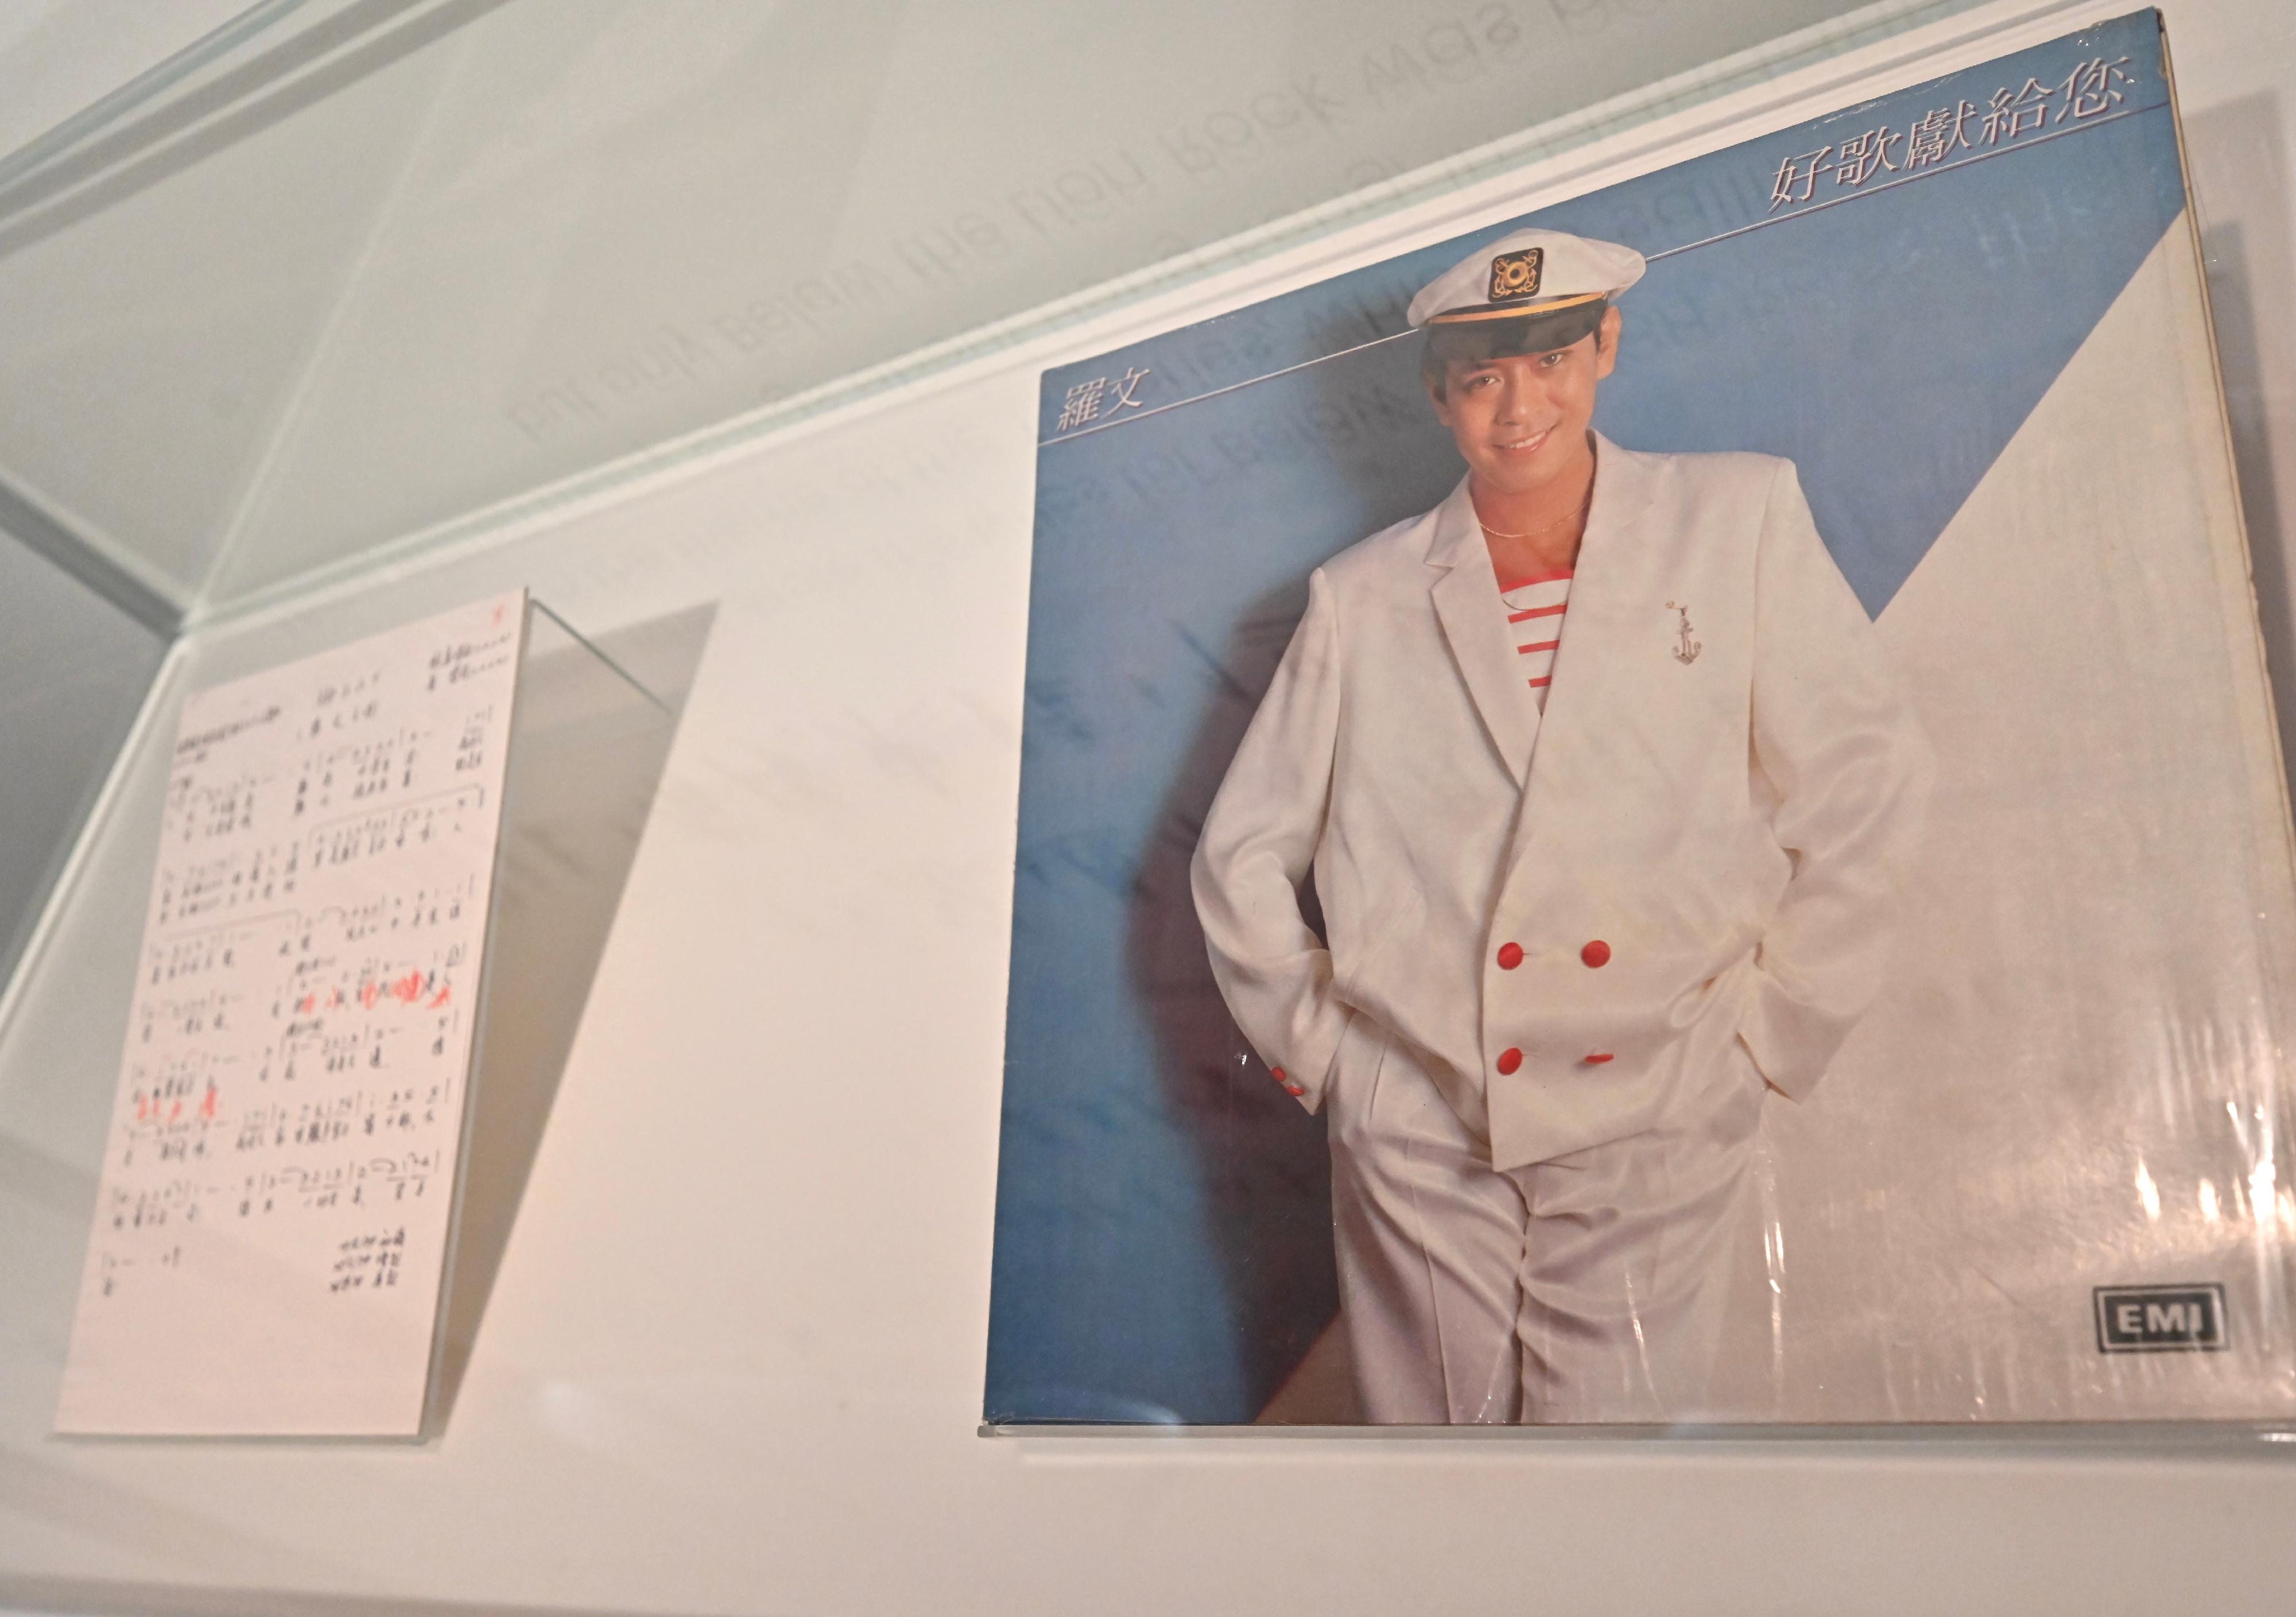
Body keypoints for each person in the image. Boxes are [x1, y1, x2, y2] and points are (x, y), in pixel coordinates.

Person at [1189, 227, 1933, 1424]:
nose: (1517, 403)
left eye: (1546, 360)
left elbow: (1864, 775)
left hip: (1655, 1093)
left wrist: (1775, 1024)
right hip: (1424, 1110)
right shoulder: (1361, 593)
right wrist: (1333, 1060)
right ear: (1438, 397)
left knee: (1617, 1475)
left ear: (1604, 346)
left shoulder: (1731, 514)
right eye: (1481, 377)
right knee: (1437, 1478)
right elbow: (1239, 851)